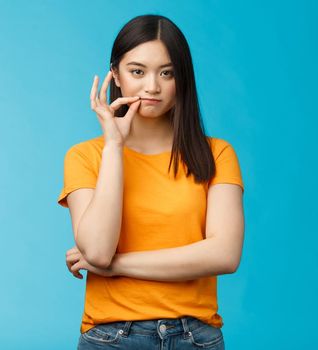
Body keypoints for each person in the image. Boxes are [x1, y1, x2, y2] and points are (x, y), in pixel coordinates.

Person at [57, 14, 244, 350]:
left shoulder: (216, 154)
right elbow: (98, 250)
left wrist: (117, 265)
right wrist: (114, 146)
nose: (152, 87)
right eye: (137, 71)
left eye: (166, 73)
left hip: (195, 337)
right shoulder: (85, 157)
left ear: (181, 78)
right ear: (116, 74)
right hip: (112, 337)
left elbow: (225, 254)